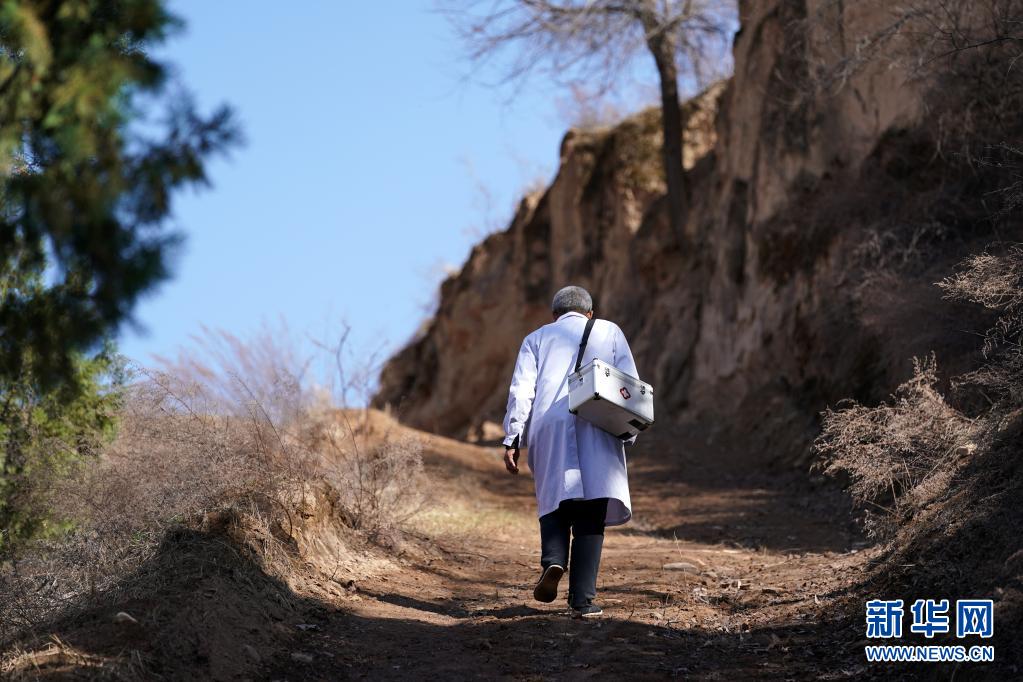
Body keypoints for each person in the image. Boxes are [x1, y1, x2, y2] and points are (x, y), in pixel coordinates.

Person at [501, 285, 638, 618]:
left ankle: (554, 560)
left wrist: (513, 436)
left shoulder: (535, 339)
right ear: (589, 313)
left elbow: (521, 390)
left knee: (554, 497)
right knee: (592, 512)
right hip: (597, 421)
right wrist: (629, 431)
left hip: (549, 426)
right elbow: (628, 385)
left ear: (554, 315)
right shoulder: (610, 331)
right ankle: (582, 601)